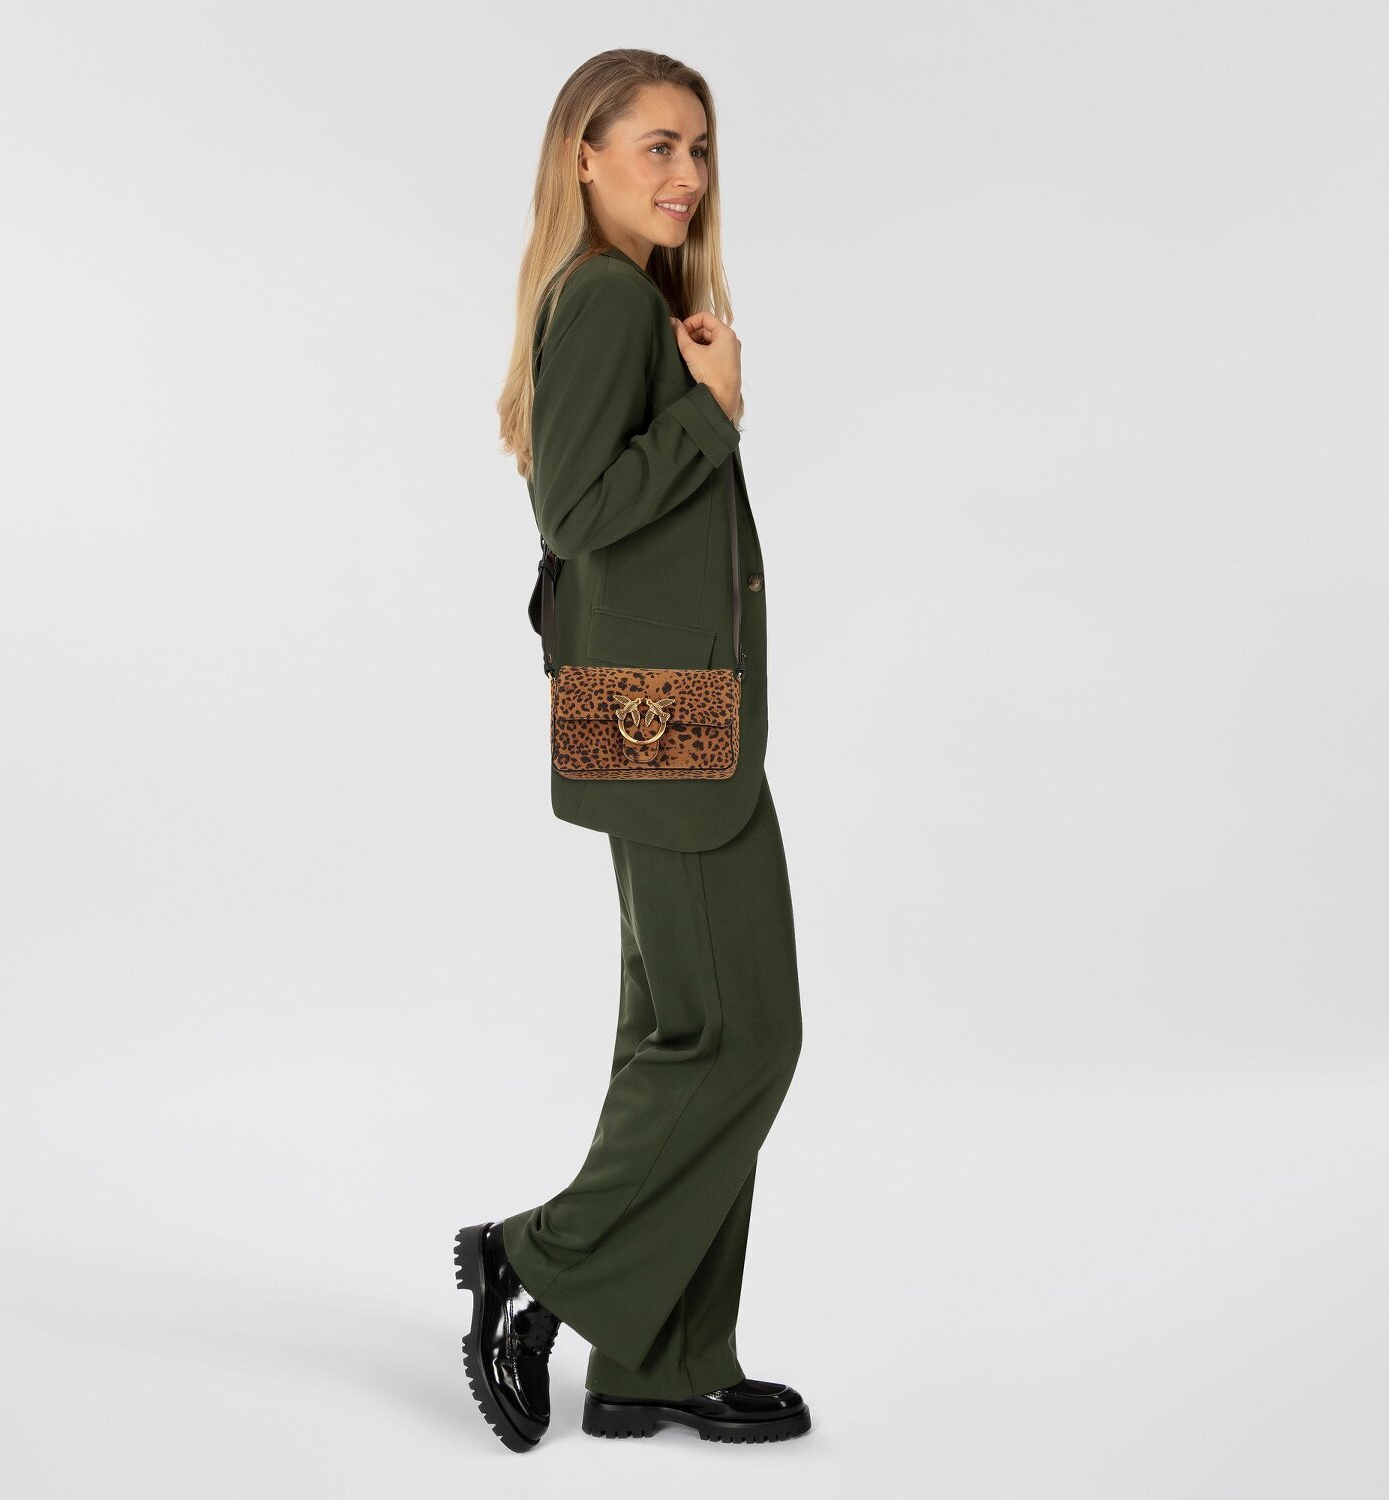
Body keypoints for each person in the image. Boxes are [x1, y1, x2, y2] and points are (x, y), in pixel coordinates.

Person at [456, 47, 808, 1450]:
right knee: (742, 1036)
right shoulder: (606, 296)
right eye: (658, 145)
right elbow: (577, 510)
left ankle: (660, 1361)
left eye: (699, 149)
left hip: (657, 705)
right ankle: (536, 1259)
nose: (687, 175)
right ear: (584, 156)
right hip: (664, 716)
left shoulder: (632, 296)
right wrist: (712, 418)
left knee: (679, 1036)